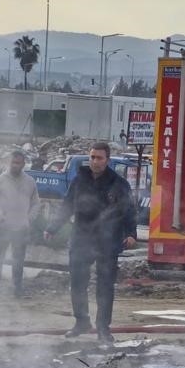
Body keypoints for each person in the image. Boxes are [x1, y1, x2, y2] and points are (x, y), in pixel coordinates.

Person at [44, 142, 136, 344]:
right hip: (81, 238)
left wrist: (131, 233)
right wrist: (52, 228)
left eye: (100, 158)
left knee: (105, 287)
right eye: (92, 157)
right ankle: (81, 322)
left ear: (108, 160)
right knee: (77, 283)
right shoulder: (79, 180)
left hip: (107, 240)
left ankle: (103, 328)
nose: (95, 161)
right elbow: (67, 206)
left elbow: (129, 210)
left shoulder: (118, 183)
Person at [0, 149, 40, 297]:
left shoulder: (30, 182)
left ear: (23, 164)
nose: (15, 165)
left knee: (18, 259)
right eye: (13, 162)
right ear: (8, 162)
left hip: (21, 228)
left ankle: (17, 288)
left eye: (18, 163)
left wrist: (29, 218)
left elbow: (36, 203)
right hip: (3, 226)